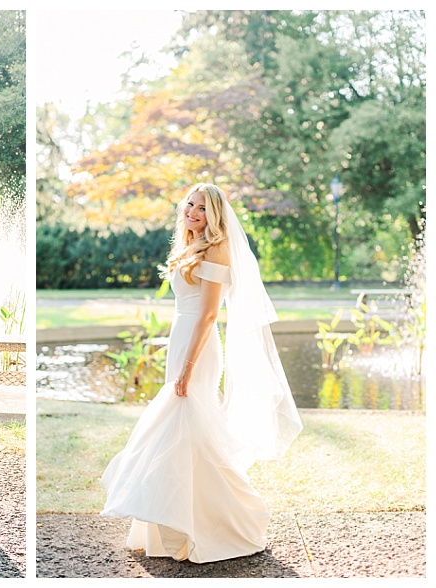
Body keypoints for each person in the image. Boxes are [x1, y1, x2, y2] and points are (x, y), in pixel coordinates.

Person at [100, 183, 303, 564]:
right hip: (182, 343)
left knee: (186, 428)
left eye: (202, 208)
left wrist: (188, 368)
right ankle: (171, 531)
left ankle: (232, 520)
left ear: (216, 215)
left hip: (199, 349)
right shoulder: (188, 245)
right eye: (190, 204)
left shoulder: (217, 248)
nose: (192, 211)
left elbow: (208, 316)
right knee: (183, 435)